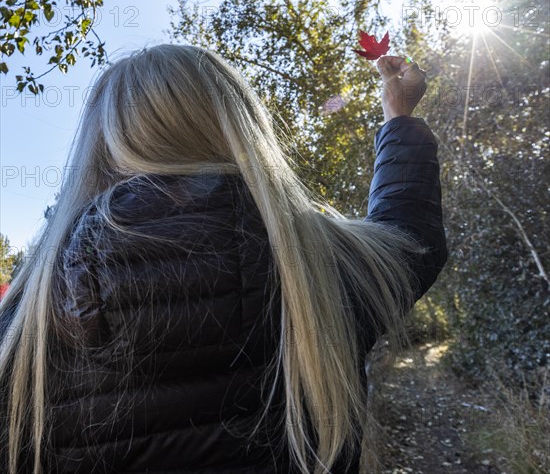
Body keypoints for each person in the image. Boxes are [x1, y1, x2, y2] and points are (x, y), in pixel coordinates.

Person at [0, 45, 447, 474]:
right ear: (238, 124)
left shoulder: (28, 317)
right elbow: (409, 237)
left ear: (100, 146)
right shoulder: (319, 267)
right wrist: (398, 117)